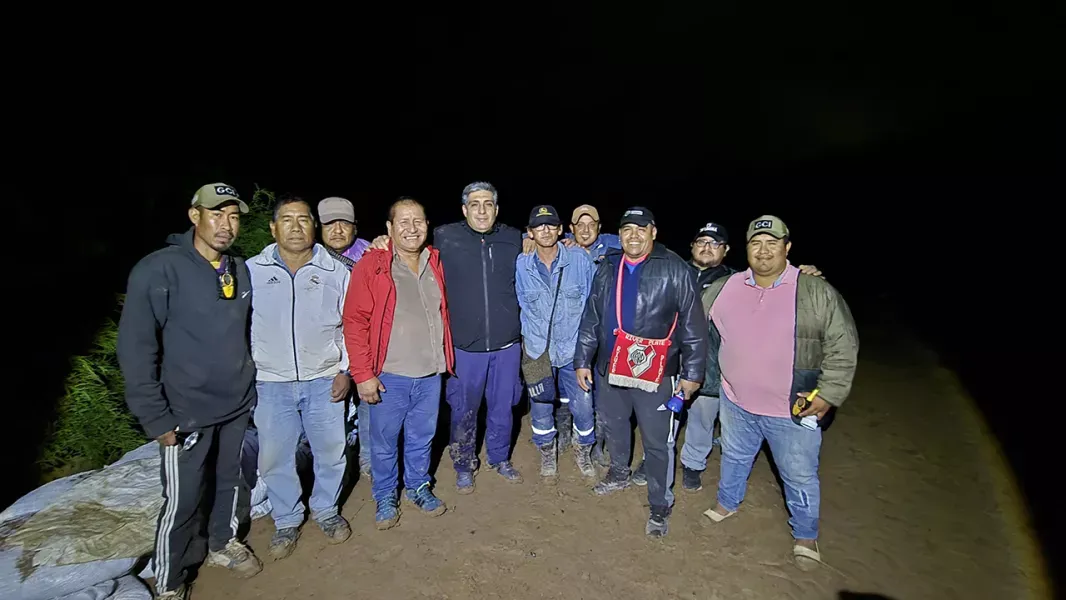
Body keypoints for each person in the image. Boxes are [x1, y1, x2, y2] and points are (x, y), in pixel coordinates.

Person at [117, 183, 263, 600]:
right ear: (193, 215)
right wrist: (156, 417)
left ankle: (221, 544)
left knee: (229, 484)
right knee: (181, 501)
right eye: (216, 214)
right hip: (185, 412)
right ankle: (169, 579)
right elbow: (136, 347)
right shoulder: (158, 270)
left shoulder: (238, 267)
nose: (226, 224)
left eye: (234, 216)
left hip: (235, 406)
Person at [700, 215, 859, 570]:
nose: (763, 250)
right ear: (746, 249)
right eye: (756, 243)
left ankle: (805, 534)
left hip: (794, 407)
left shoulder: (815, 290)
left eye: (772, 243)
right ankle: (727, 502)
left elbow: (842, 345)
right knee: (735, 456)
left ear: (787, 248)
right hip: (736, 400)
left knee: (799, 473)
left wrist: (829, 393)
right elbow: (691, 316)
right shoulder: (726, 287)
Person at [369, 181, 525, 492]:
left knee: (502, 406)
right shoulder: (444, 236)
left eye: (488, 204)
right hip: (463, 346)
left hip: (507, 345)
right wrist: (382, 241)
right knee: (463, 408)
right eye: (475, 204)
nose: (482, 210)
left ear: (497, 208)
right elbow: (408, 243)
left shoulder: (514, 238)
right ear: (464, 209)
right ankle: (464, 462)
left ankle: (498, 457)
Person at [574, 206, 708, 538]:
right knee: (616, 427)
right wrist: (582, 359)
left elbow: (693, 326)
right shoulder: (607, 267)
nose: (633, 235)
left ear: (653, 232)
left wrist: (692, 374)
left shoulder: (675, 269)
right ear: (619, 235)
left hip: (657, 372)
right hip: (610, 368)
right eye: (627, 229)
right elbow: (591, 316)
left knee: (657, 441)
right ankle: (619, 473)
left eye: (641, 229)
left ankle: (660, 506)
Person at [247, 194, 352, 560]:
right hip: (270, 381)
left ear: (314, 227)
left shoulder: (336, 271)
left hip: (324, 377)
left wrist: (345, 370)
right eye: (287, 220)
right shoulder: (250, 271)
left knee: (331, 451)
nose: (296, 227)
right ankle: (287, 520)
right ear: (273, 227)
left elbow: (350, 325)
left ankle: (326, 510)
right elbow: (241, 327)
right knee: (274, 456)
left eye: (304, 219)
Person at [344, 197, 455, 529]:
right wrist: (362, 375)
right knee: (384, 440)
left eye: (418, 221)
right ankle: (385, 495)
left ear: (427, 226)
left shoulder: (435, 261)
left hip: (430, 372)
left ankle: (419, 486)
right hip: (389, 374)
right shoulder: (373, 264)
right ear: (389, 229)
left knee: (422, 437)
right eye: (403, 222)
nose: (412, 228)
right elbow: (354, 321)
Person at [515, 205, 598, 482]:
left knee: (584, 406)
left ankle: (582, 451)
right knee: (540, 407)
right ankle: (548, 453)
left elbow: (591, 307)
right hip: (538, 352)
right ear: (530, 232)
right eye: (539, 226)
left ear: (561, 229)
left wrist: (586, 355)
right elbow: (519, 306)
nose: (546, 230)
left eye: (551, 225)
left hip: (574, 351)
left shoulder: (579, 260)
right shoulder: (521, 264)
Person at [317, 196, 373, 481]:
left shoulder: (371, 253)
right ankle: (334, 468)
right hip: (328, 352)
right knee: (331, 415)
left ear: (355, 226)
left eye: (344, 223)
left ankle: (367, 460)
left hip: (365, 348)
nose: (337, 229)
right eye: (329, 223)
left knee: (367, 408)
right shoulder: (311, 258)